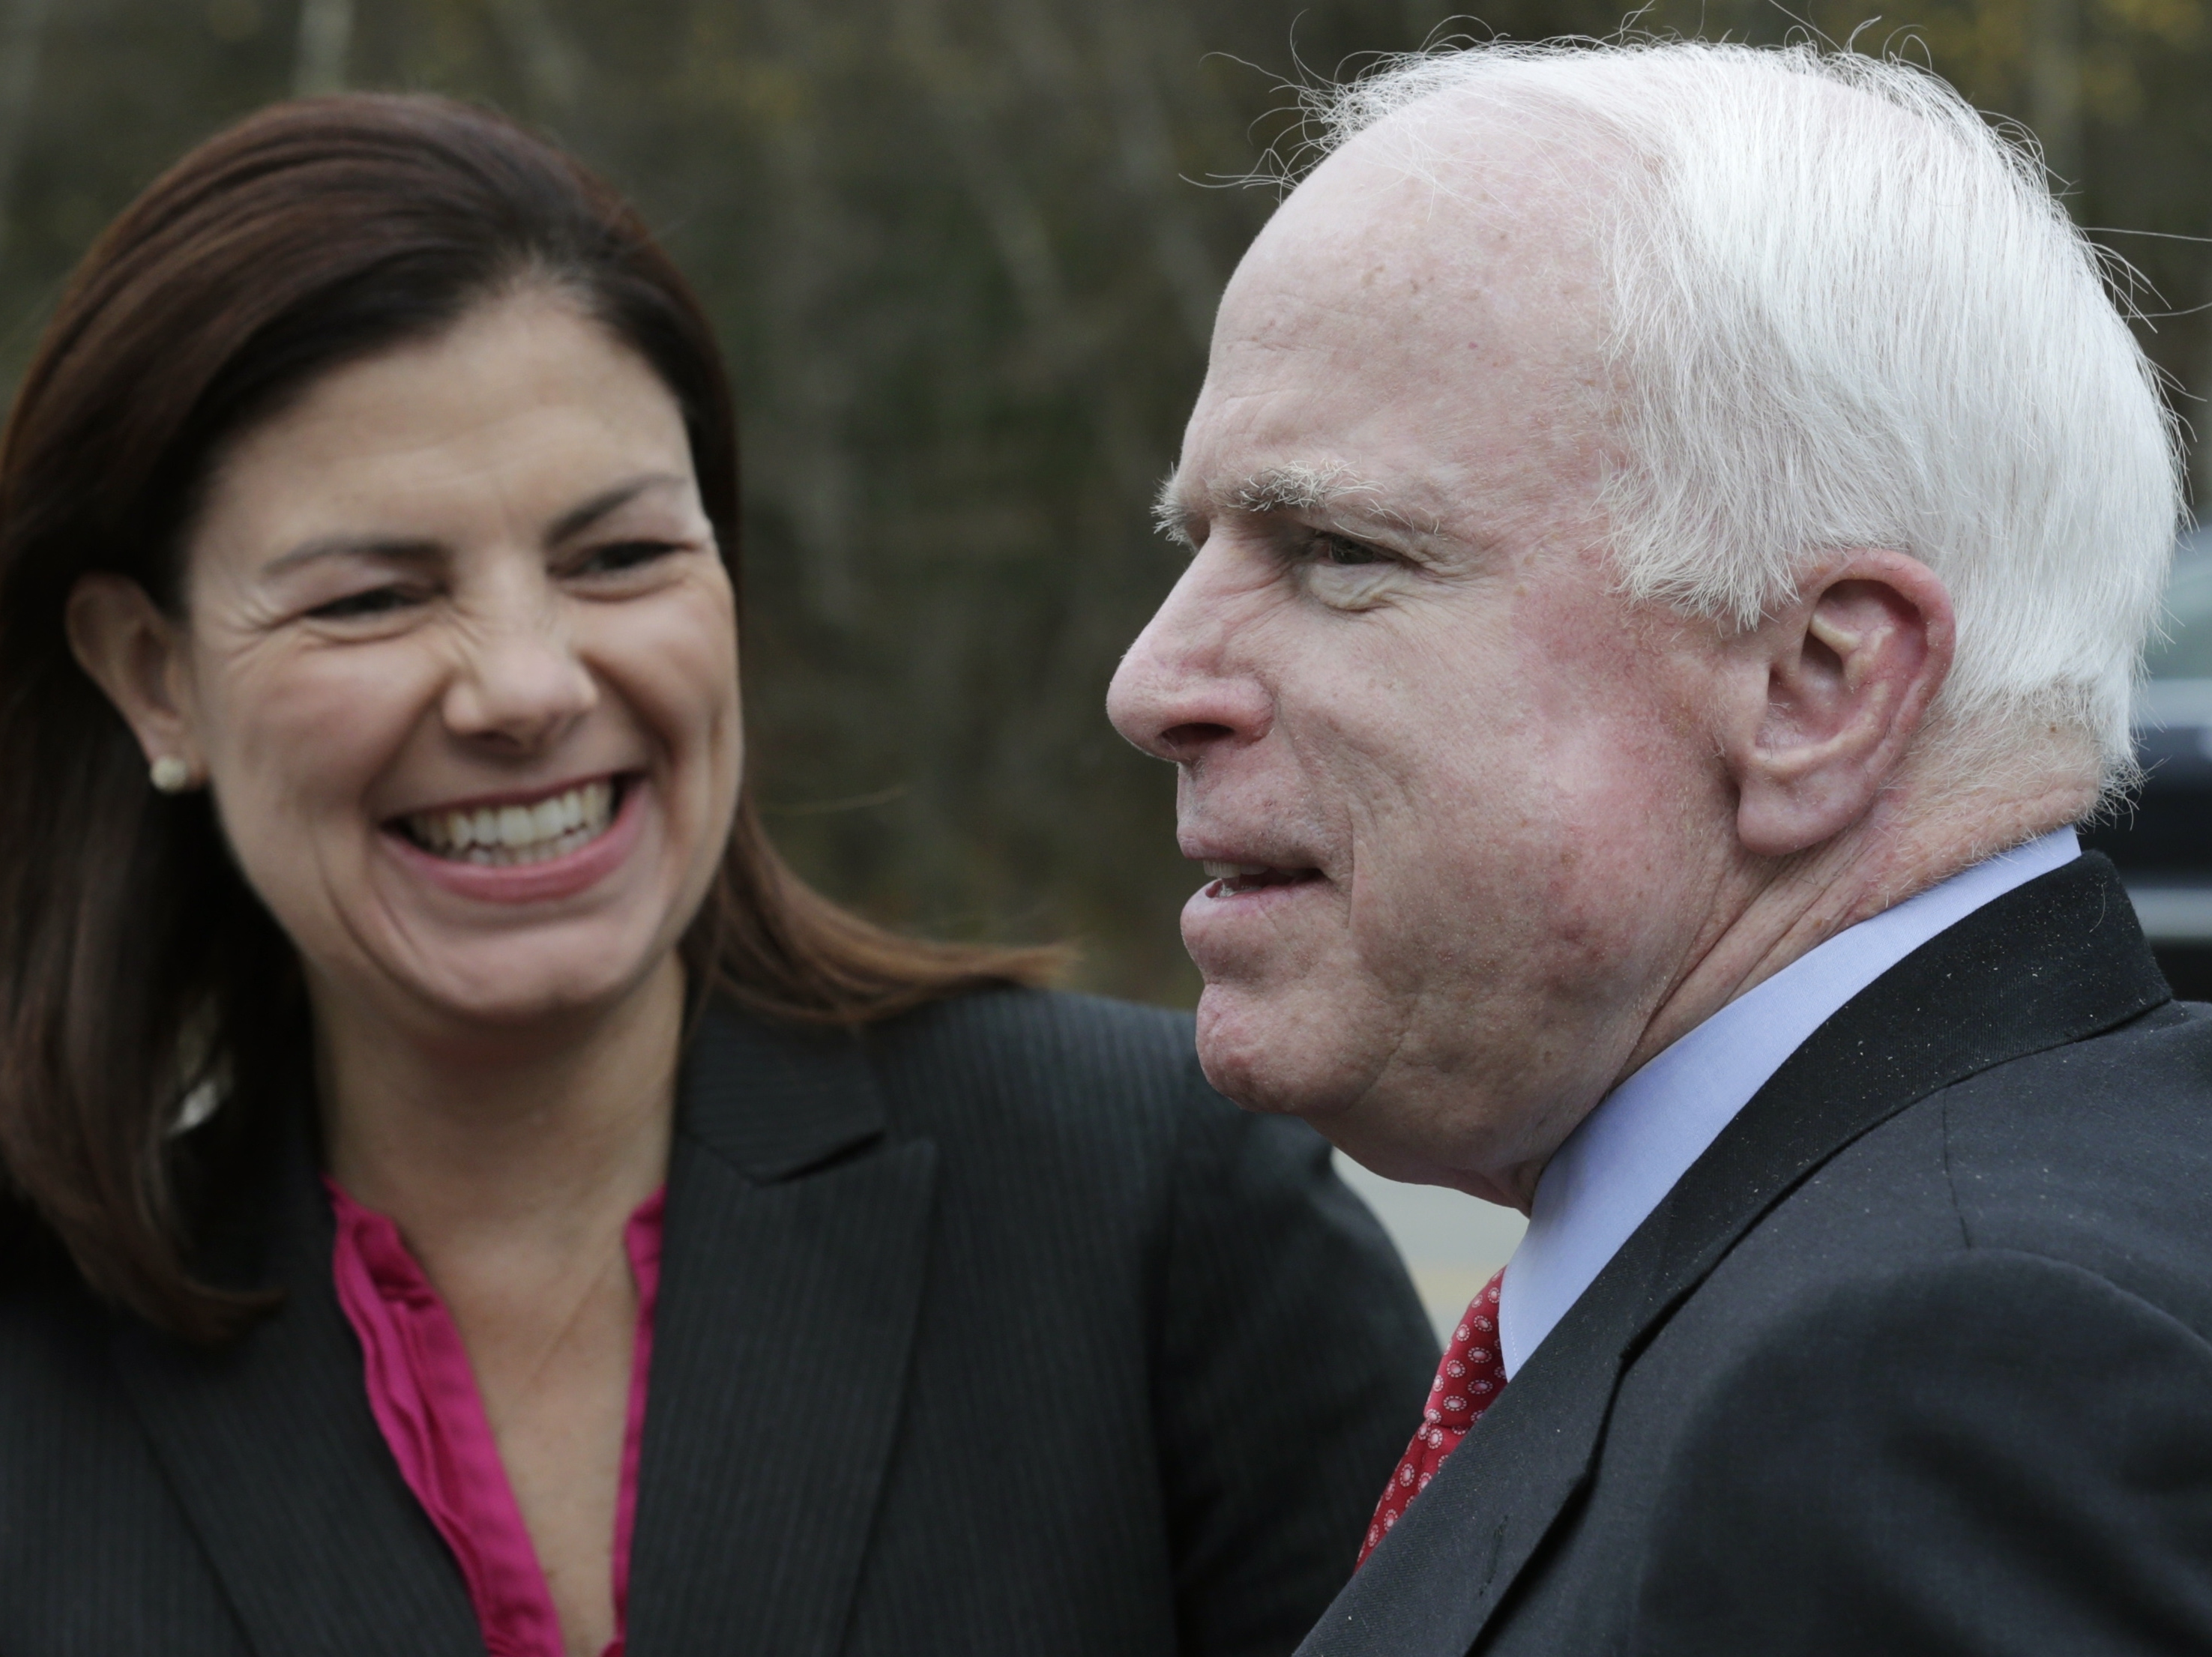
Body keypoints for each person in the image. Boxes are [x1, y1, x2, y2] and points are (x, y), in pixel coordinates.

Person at [0, 94, 1438, 1657]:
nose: (529, 684)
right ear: (152, 675)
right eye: (374, 594)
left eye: (617, 558)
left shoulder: (1156, 1206)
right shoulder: (38, 1341)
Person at [1107, 39, 2212, 1657]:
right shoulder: (1964, 1248)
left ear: (1817, 685)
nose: (1154, 684)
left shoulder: (1932, 1383)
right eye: (1198, 545)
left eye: (1341, 552)